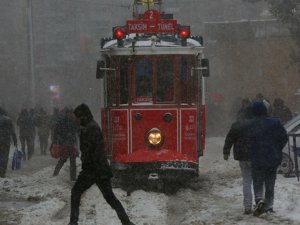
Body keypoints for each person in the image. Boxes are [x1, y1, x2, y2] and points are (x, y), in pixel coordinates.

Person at [68, 103, 135, 225]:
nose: (76, 120)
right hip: (99, 170)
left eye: (77, 117)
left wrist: (87, 166)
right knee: (110, 198)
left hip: (93, 169)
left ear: (83, 116)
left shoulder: (90, 128)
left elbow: (92, 151)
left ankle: (73, 222)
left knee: (76, 192)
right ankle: (126, 222)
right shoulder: (89, 127)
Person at [243, 101, 287, 216]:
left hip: (257, 158)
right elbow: (283, 137)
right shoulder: (275, 122)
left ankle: (259, 199)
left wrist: (251, 151)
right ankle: (269, 205)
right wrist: (276, 148)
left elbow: (246, 141)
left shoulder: (250, 124)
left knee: (257, 181)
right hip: (272, 158)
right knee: (270, 182)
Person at [223, 106, 253, 214]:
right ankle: (260, 200)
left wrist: (226, 152)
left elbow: (229, 139)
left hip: (242, 156)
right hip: (255, 155)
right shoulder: (256, 125)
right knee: (259, 180)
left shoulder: (237, 125)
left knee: (246, 181)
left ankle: (247, 206)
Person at [52, 108, 79, 181]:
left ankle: (72, 177)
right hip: (65, 143)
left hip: (71, 143)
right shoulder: (62, 122)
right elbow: (56, 132)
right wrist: (55, 142)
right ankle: (55, 173)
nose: (71, 114)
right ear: (67, 113)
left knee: (72, 161)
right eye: (70, 113)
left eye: (72, 113)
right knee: (63, 159)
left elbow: (78, 131)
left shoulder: (73, 121)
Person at [0, 107, 17, 177]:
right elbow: (12, 131)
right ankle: (2, 172)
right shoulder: (8, 119)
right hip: (5, 141)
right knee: (4, 156)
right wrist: (15, 139)